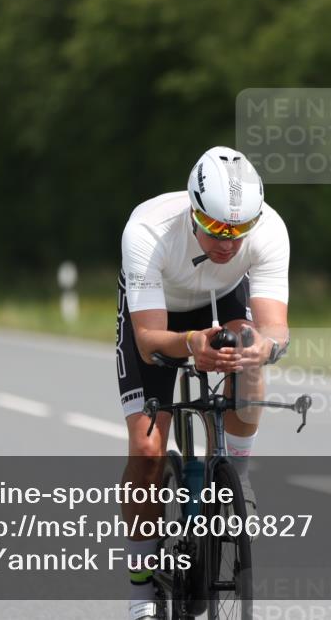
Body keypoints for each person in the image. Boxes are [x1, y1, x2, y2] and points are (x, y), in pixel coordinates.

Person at [115, 146, 290, 620]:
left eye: (239, 231)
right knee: (147, 451)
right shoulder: (148, 229)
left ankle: (237, 478)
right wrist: (192, 342)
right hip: (160, 312)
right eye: (214, 227)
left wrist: (264, 347)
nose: (227, 243)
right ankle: (140, 589)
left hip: (222, 298)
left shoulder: (270, 229)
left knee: (250, 347)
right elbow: (148, 340)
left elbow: (276, 328)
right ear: (193, 210)